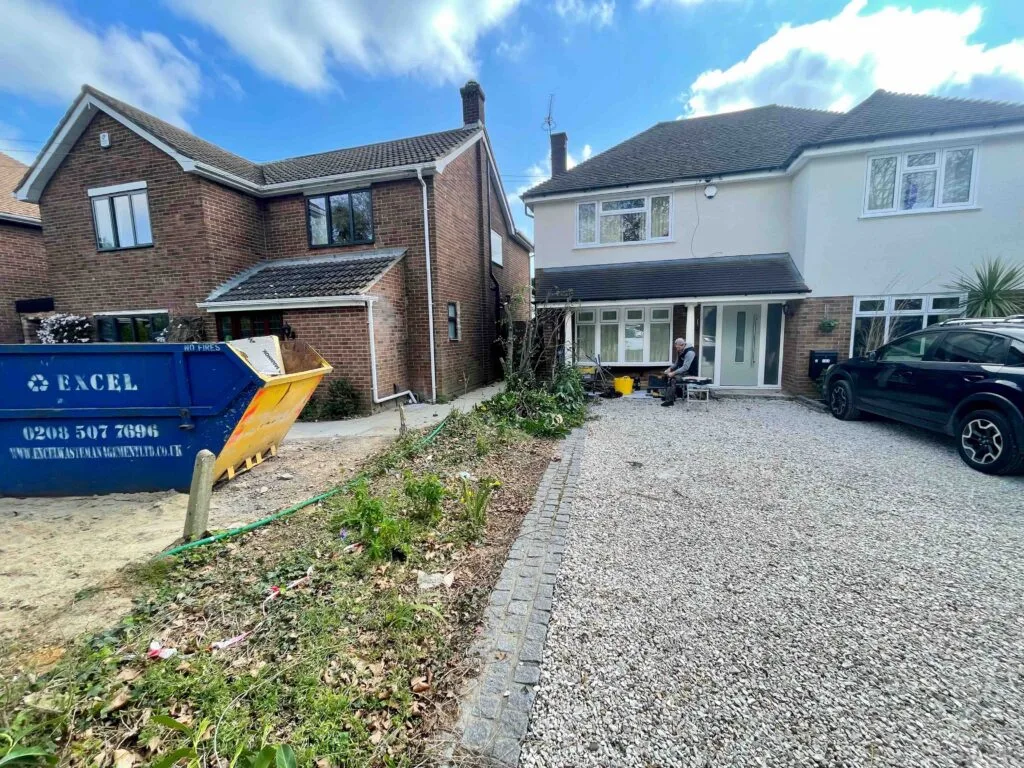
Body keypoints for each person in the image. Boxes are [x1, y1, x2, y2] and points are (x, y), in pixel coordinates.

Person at [661, 338, 696, 407]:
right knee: (666, 376)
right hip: (683, 372)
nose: (677, 349)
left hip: (690, 373)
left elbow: (686, 367)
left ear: (683, 345)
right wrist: (669, 369)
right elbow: (677, 363)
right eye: (676, 347)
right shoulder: (680, 351)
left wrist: (673, 373)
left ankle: (670, 401)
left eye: (678, 347)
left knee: (673, 378)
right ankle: (669, 396)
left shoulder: (690, 353)